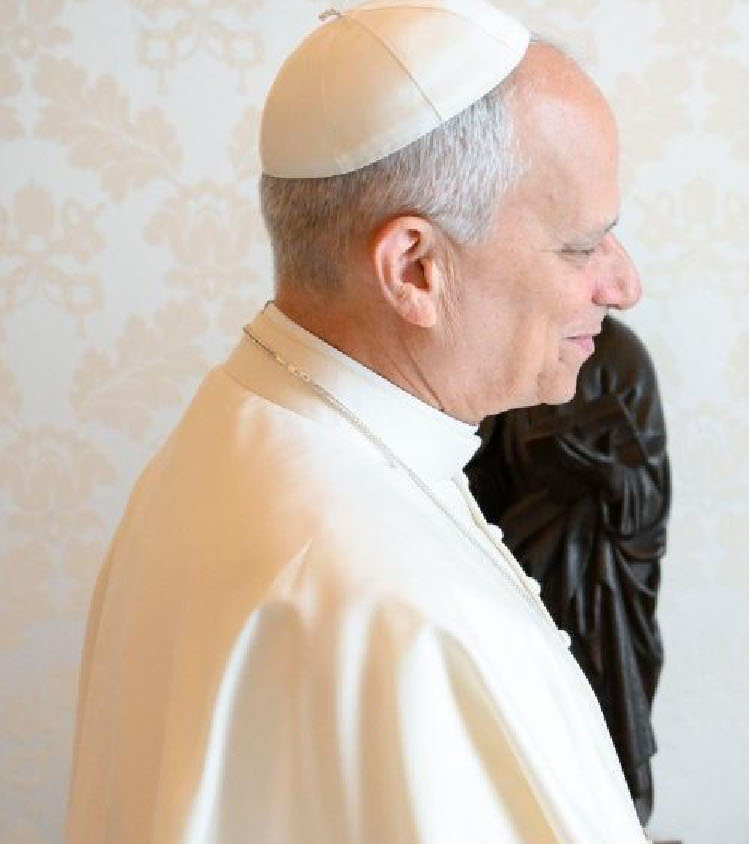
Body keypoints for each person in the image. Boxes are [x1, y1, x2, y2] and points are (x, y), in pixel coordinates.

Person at [65, 0, 649, 839]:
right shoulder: (402, 605)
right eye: (581, 245)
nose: (623, 285)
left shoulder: (238, 431)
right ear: (415, 267)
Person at [467, 317, 671, 824]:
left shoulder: (622, 358)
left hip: (605, 590)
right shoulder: (504, 350)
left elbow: (647, 502)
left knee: (604, 721)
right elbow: (476, 477)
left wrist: (594, 465)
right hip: (518, 571)